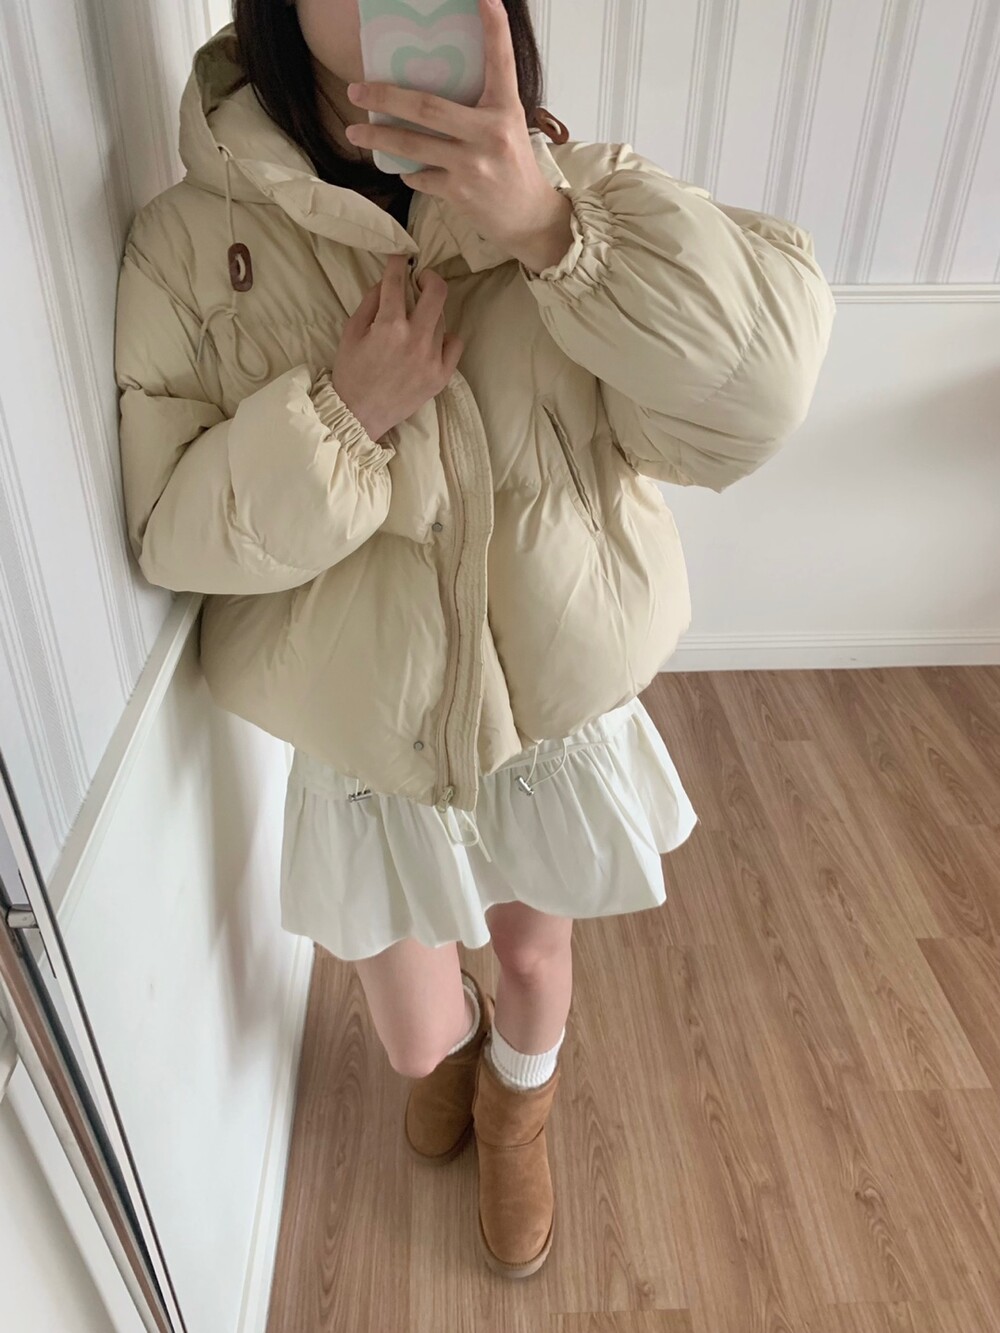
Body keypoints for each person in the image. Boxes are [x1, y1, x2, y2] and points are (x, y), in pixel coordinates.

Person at [113, 0, 836, 1281]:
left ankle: (519, 1108)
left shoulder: (576, 192)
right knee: (407, 1031)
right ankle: (453, 1057)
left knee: (534, 953)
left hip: (539, 699)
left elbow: (758, 396)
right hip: (359, 720)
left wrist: (554, 231)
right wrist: (343, 415)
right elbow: (170, 528)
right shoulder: (186, 242)